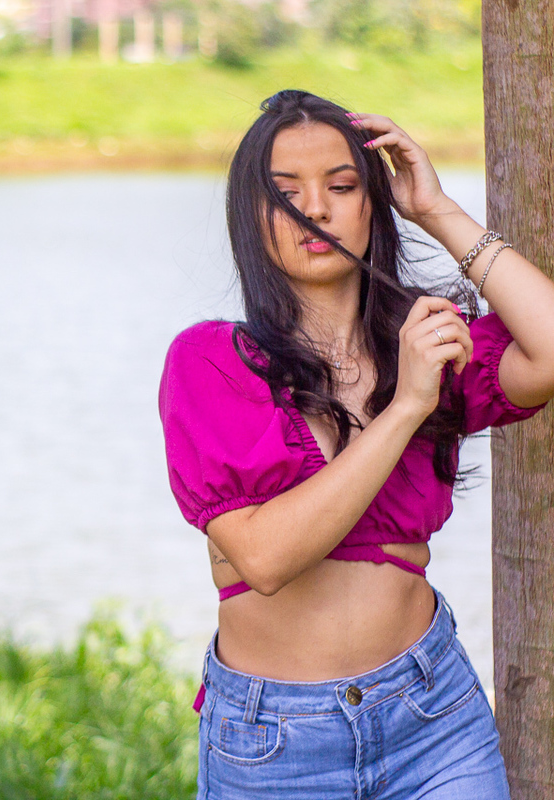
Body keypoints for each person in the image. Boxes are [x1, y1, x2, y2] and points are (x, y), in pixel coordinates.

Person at [158, 89, 554, 798]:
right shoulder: (212, 362)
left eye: (342, 186)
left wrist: (434, 209)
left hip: (432, 720)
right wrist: (404, 407)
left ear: (373, 202)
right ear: (252, 217)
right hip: (276, 743)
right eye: (286, 194)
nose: (316, 208)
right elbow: (266, 558)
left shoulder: (425, 341)